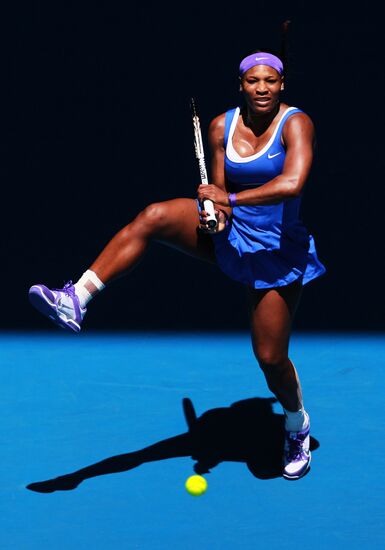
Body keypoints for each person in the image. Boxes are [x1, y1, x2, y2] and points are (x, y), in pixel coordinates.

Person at [29, 39, 325, 480]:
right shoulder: (221, 126)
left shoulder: (296, 124)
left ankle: (297, 423)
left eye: (270, 81)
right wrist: (215, 216)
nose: (262, 88)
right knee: (153, 217)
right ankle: (78, 297)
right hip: (233, 235)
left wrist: (231, 199)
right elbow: (218, 198)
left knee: (270, 359)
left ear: (282, 84)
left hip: (277, 251)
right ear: (240, 85)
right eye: (253, 81)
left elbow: (294, 182)